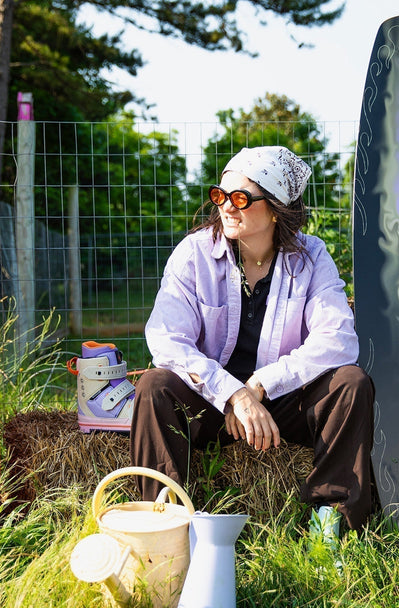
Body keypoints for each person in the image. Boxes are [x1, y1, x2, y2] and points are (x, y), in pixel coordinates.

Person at [131, 145, 375, 534]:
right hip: (211, 403)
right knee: (154, 385)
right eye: (219, 195)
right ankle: (164, 526)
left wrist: (260, 386)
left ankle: (331, 525)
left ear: (276, 208)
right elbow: (166, 339)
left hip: (277, 405)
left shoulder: (311, 257)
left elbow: (338, 339)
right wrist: (233, 394)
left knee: (350, 383)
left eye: (241, 198)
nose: (226, 206)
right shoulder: (193, 254)